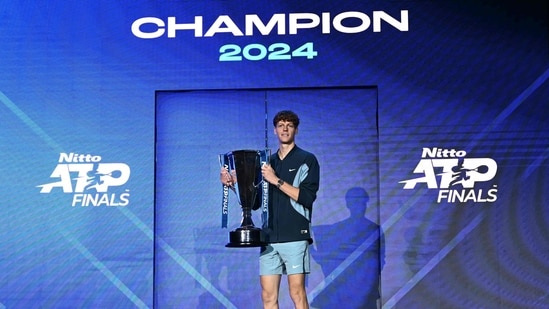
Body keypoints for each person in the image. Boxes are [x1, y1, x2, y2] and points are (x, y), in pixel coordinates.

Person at [221, 110, 320, 309]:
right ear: (275, 130)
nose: (285, 129)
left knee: (296, 292)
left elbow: (307, 198)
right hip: (269, 239)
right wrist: (232, 185)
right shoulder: (266, 162)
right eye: (281, 125)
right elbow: (255, 203)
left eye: (289, 125)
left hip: (295, 236)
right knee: (267, 296)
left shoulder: (307, 159)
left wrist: (276, 180)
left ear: (296, 130)